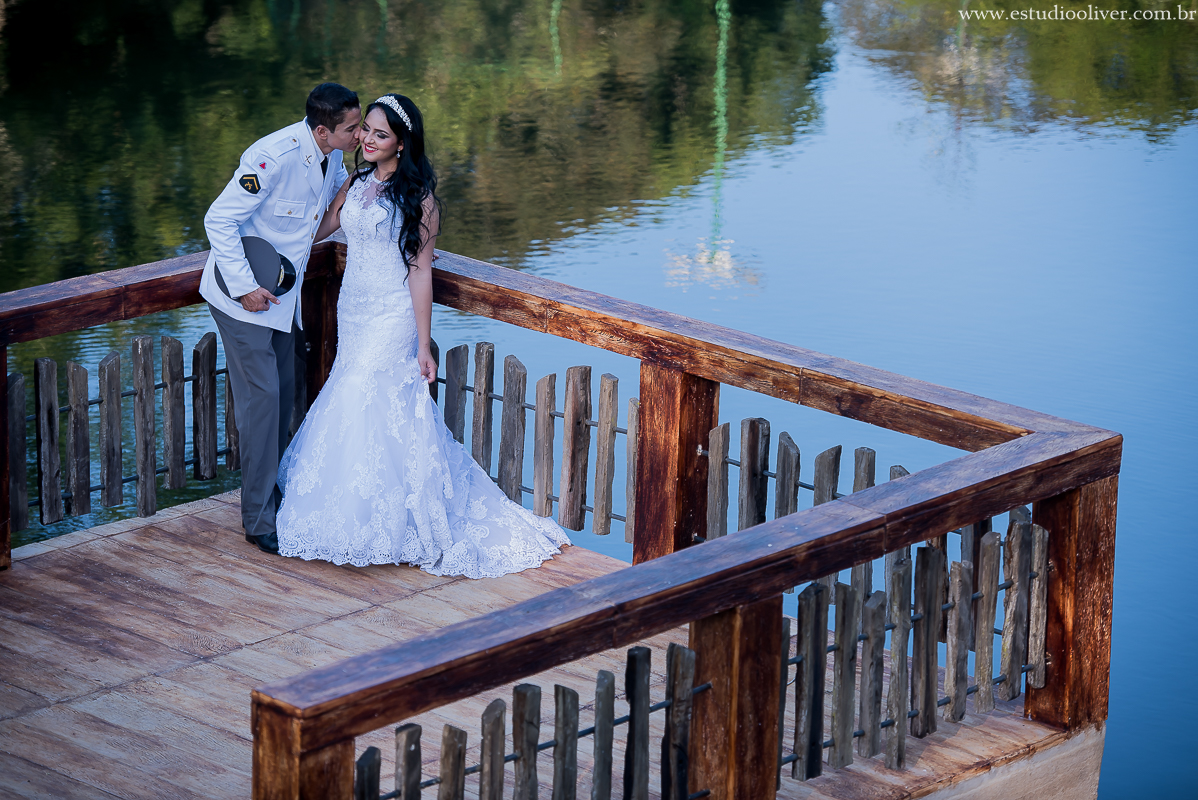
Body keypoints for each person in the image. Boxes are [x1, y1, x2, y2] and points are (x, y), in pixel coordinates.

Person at [275, 93, 569, 578]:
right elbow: (321, 229)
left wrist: (421, 342)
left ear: (402, 143)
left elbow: (420, 272)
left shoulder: (420, 199)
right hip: (354, 308)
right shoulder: (357, 179)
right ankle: (352, 510)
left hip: (392, 313)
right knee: (352, 395)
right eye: (365, 129)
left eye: (380, 134)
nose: (367, 139)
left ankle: (392, 520)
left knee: (372, 396)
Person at [200, 83, 362, 554]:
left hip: (281, 301)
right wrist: (246, 287)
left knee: (287, 391)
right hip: (242, 299)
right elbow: (219, 220)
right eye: (352, 129)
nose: (357, 135)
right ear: (322, 130)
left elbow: (321, 219)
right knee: (264, 401)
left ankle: (272, 490)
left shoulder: (333, 155)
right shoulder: (273, 157)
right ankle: (258, 520)